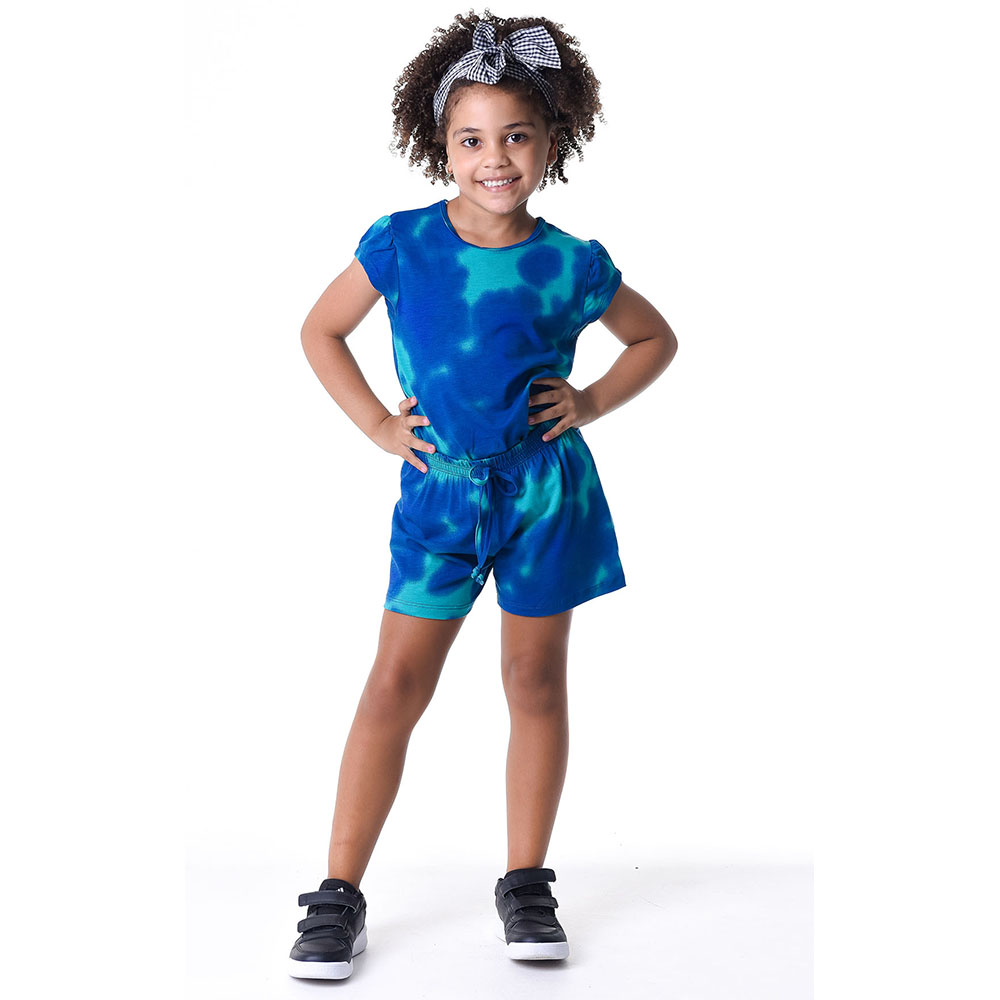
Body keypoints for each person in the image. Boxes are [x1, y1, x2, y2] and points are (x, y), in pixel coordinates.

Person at [289, 9, 678, 980]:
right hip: (441, 496)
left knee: (534, 680)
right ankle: (337, 894)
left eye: (516, 136)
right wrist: (378, 424)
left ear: (553, 138)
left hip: (546, 498)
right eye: (470, 139)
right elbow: (319, 331)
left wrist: (590, 400)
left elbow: (653, 337)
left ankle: (526, 882)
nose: (494, 158)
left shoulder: (572, 263)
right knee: (395, 682)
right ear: (440, 143)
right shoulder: (402, 244)